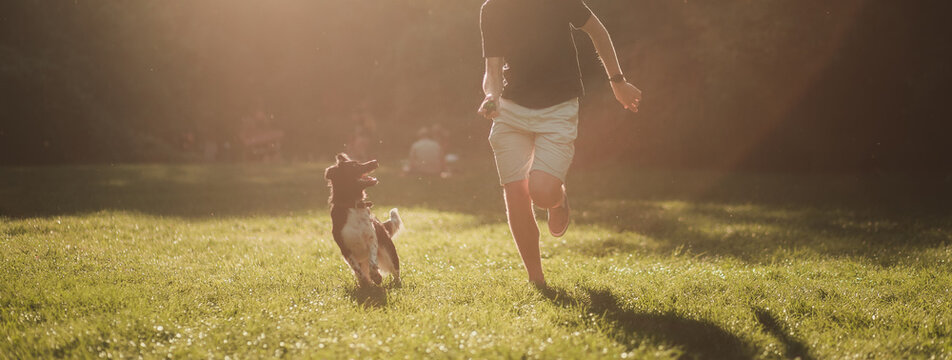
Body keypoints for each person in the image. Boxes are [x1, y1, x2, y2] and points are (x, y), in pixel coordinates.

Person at [477, 0, 642, 286]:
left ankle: (557, 198)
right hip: (511, 109)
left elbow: (598, 31)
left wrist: (618, 82)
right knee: (516, 192)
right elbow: (492, 70)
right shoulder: (492, 8)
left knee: (541, 192)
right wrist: (491, 96)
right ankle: (536, 279)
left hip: (558, 108)